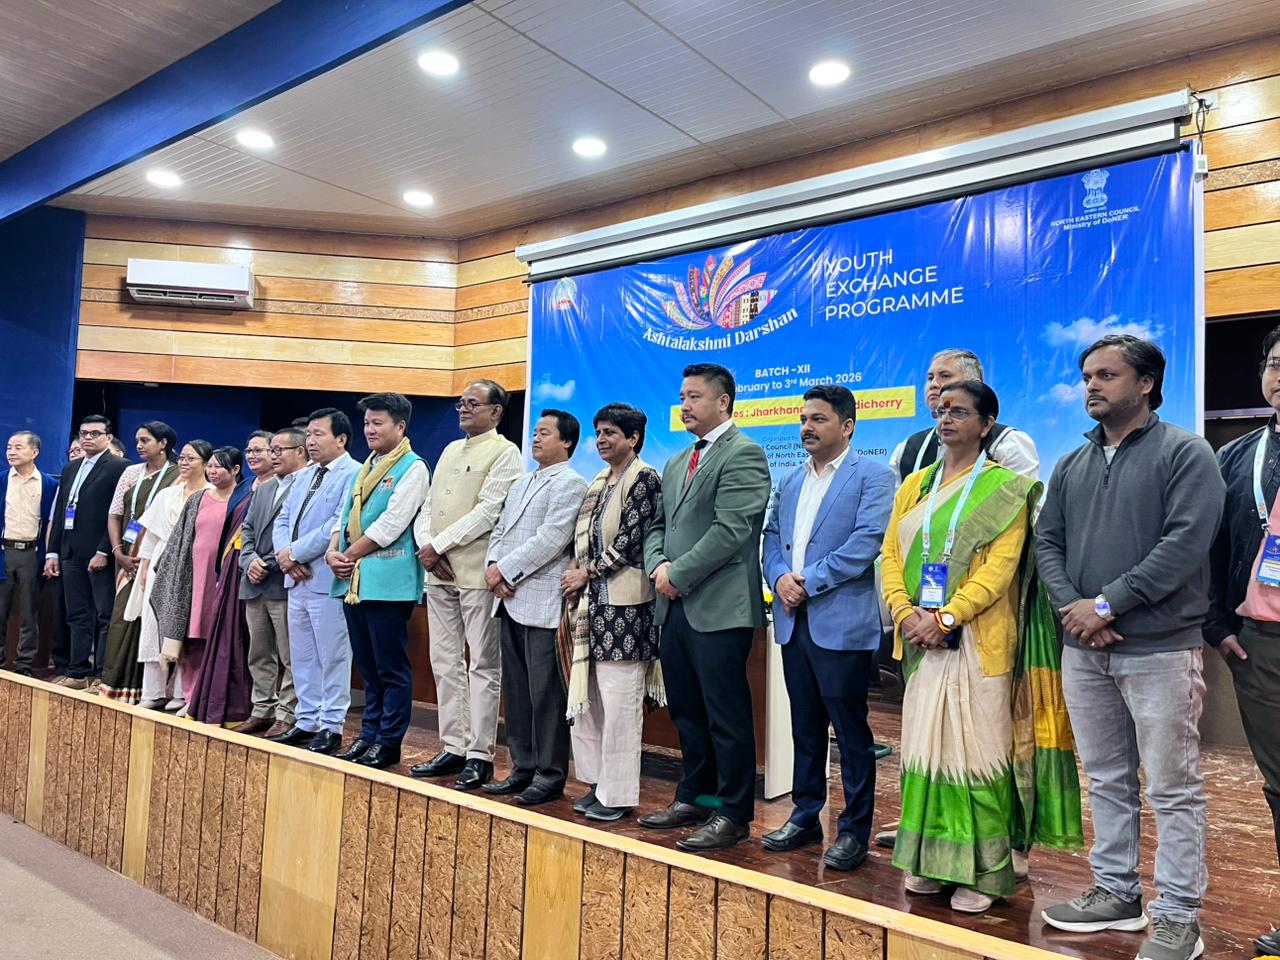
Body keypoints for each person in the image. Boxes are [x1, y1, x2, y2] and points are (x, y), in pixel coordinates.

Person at [1036, 335, 1223, 960]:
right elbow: (1047, 543)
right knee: (1107, 779)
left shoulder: (1186, 452)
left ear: (1146, 383)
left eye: (1106, 375)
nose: (1091, 385)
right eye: (1087, 375)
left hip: (1161, 649)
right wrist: (1076, 609)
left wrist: (1107, 604)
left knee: (1172, 787)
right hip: (1084, 649)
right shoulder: (1072, 463)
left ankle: (1178, 916)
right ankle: (1116, 891)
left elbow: (1185, 543)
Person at [881, 380, 1081, 912]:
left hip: (979, 642)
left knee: (979, 753)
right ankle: (931, 861)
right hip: (921, 641)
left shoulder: (1005, 488)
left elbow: (1000, 569)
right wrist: (905, 613)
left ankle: (985, 871)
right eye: (941, 410)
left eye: (960, 412)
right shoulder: (915, 486)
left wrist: (946, 616)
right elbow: (890, 555)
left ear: (987, 424)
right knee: (925, 750)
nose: (946, 419)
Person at [640, 362, 771, 851]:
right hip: (673, 606)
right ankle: (694, 797)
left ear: (723, 401)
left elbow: (731, 530)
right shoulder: (677, 461)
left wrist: (678, 574)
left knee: (726, 716)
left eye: (694, 396)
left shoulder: (745, 453)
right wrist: (658, 566)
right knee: (687, 712)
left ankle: (734, 814)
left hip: (719, 607)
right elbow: (657, 526)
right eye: (682, 397)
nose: (685, 405)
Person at [761, 385, 894, 870]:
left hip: (840, 623)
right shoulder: (791, 479)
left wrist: (807, 583)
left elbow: (866, 542)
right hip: (793, 621)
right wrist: (778, 577)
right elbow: (771, 536)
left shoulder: (874, 476)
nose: (806, 427)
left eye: (818, 419)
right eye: (803, 419)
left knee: (851, 732)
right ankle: (804, 815)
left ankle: (854, 831)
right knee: (805, 726)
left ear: (847, 426)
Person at [1206, 327, 1280, 959]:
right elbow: (1213, 547)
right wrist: (1219, 626)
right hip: (1263, 644)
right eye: (1276, 364)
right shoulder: (1236, 457)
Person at [411, 381, 521, 789]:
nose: (463, 409)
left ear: (496, 412)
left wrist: (437, 546)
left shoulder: (506, 452)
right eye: (461, 403)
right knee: (444, 661)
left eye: (473, 404)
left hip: (474, 572)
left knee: (483, 665)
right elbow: (427, 507)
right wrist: (427, 545)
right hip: (437, 571)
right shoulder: (449, 450)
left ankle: (480, 755)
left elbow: (489, 511)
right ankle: (453, 746)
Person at [561, 404, 663, 822]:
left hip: (627, 609)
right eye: (599, 432)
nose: (602, 439)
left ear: (633, 438)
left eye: (611, 433)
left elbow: (631, 540)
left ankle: (617, 794)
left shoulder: (645, 478)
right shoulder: (599, 482)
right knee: (592, 703)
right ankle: (596, 784)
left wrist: (585, 572)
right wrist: (577, 570)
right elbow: (582, 539)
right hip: (592, 608)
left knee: (621, 706)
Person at [482, 409, 586, 805]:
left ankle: (549, 774)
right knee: (517, 691)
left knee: (545, 695)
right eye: (535, 432)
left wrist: (505, 570)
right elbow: (500, 530)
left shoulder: (571, 483)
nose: (536, 439)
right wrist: (493, 566)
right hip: (508, 597)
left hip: (541, 600)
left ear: (567, 442)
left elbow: (552, 539)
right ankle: (522, 767)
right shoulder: (523, 481)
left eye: (545, 433)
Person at [327, 393, 428, 769]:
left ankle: (388, 742)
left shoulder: (413, 467)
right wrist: (332, 552)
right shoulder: (366, 466)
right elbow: (342, 517)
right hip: (355, 579)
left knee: (391, 668)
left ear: (400, 426)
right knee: (367, 667)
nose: (369, 429)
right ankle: (368, 734)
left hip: (388, 580)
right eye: (367, 423)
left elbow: (392, 524)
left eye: (378, 423)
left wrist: (348, 555)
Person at [268, 409, 360, 752]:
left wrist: (295, 553)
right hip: (296, 578)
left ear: (341, 439)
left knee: (332, 656)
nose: (310, 441)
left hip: (326, 577)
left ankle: (331, 726)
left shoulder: (354, 473)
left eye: (318, 434)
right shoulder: (305, 474)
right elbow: (283, 519)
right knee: (303, 656)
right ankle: (306, 720)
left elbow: (337, 523)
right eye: (308, 434)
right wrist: (285, 555)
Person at [150, 446, 254, 725]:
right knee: (191, 634)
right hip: (194, 575)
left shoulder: (243, 499)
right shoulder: (198, 498)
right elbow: (180, 538)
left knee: (216, 634)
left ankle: (207, 695)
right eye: (211, 466)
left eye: (219, 466)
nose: (213, 471)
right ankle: (190, 696)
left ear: (235, 470)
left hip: (223, 576)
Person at [45, 415, 129, 687]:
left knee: (104, 615)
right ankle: (77, 671)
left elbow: (119, 515)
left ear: (108, 437)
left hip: (99, 553)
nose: (88, 438)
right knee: (76, 615)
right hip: (70, 551)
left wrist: (105, 550)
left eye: (95, 433)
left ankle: (100, 674)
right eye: (84, 433)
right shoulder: (71, 467)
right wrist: (53, 552)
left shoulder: (120, 467)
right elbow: (61, 512)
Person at [98, 422, 180, 701]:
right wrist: (117, 551)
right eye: (137, 440)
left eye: (145, 440)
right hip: (125, 557)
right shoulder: (131, 472)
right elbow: (114, 514)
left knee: (150, 623)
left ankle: (148, 690)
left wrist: (147, 558)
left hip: (155, 560)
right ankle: (114, 685)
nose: (139, 445)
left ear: (163, 443)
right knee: (121, 619)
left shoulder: (177, 476)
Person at [234, 428, 307, 735]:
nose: (274, 456)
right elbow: (247, 530)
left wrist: (270, 564)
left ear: (301, 451)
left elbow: (302, 536)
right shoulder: (264, 488)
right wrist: (249, 560)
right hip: (254, 582)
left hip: (284, 581)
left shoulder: (307, 485)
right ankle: (262, 708)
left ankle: (287, 713)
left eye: (279, 450)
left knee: (290, 655)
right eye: (272, 450)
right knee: (259, 652)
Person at [129, 441, 212, 710]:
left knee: (185, 626)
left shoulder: (211, 495)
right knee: (152, 625)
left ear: (206, 463)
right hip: (160, 562)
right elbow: (150, 537)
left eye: (191, 458)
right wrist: (145, 568)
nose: (184, 463)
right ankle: (152, 691)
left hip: (192, 564)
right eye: (182, 458)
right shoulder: (167, 494)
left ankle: (180, 691)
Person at [889, 349, 1039, 483]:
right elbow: (896, 505)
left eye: (945, 376)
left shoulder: (1008, 444)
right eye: (930, 378)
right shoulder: (907, 449)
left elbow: (1020, 502)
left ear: (975, 384)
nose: (933, 384)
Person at [0, 431, 60, 676]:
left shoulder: (50, 485)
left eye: (18, 447)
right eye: (9, 447)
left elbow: (52, 522)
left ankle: (24, 666)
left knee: (29, 613)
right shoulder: (2, 479)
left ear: (34, 452)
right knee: (0, 611)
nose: (11, 452)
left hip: (32, 553)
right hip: (3, 552)